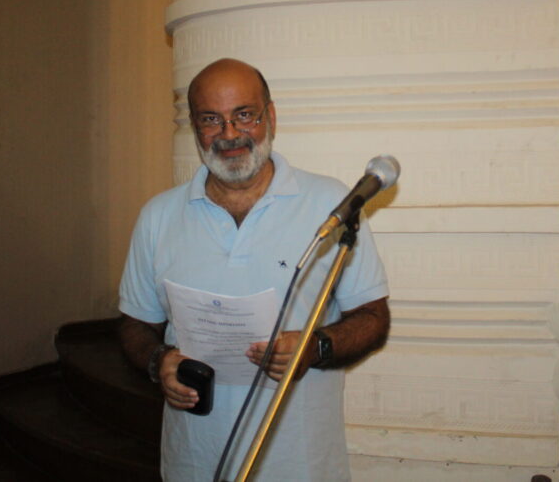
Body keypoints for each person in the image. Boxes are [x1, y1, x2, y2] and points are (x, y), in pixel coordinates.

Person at [117, 58, 390, 481]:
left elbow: (373, 318)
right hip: (194, 461)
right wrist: (159, 361)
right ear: (195, 127)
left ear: (271, 116)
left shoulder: (330, 206)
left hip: (300, 463)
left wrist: (315, 348)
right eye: (211, 119)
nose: (229, 134)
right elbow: (136, 324)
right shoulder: (158, 216)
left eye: (244, 115)